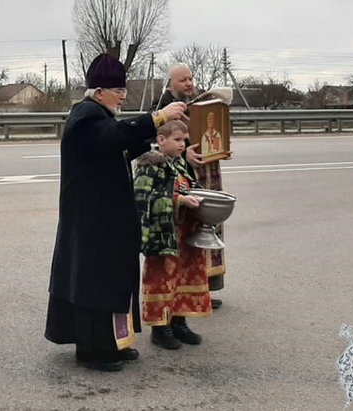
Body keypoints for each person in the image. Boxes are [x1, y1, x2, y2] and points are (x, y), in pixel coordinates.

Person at [45, 53, 188, 372]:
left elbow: (117, 148)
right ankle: (95, 351)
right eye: (117, 90)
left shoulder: (98, 114)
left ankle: (112, 343)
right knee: (96, 282)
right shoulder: (86, 116)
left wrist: (150, 139)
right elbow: (112, 138)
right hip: (92, 218)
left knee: (108, 281)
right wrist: (157, 118)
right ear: (98, 92)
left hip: (103, 215)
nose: (123, 95)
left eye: (123, 89)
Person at [153, 63, 228, 310]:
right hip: (179, 182)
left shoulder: (199, 103)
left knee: (207, 228)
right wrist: (185, 157)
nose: (189, 83)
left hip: (207, 174)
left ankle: (203, 288)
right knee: (188, 235)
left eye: (190, 78)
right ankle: (181, 294)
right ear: (170, 84)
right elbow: (155, 146)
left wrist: (221, 148)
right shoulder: (162, 108)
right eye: (182, 80)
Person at [134, 120, 212, 349]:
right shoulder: (149, 165)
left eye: (183, 140)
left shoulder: (178, 163)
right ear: (161, 140)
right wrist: (178, 200)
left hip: (184, 233)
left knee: (184, 276)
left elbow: (186, 186)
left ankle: (179, 322)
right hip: (163, 234)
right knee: (162, 278)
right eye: (177, 140)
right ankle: (160, 327)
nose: (182, 145)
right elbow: (144, 199)